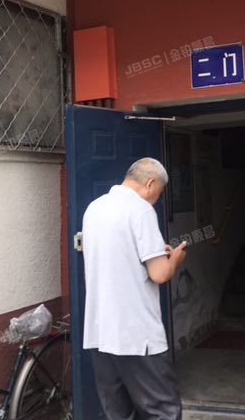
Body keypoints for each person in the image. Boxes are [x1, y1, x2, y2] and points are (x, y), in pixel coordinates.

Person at [82, 157, 188, 420]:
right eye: (158, 193)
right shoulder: (140, 210)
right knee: (162, 410)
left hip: (101, 333)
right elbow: (160, 274)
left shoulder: (95, 207)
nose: (156, 200)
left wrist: (155, 253)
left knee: (119, 412)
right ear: (150, 183)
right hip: (137, 335)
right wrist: (175, 259)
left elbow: (120, 256)